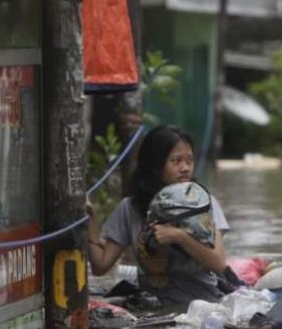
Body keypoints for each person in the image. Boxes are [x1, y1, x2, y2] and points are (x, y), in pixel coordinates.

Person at [87, 125, 238, 309]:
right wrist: (90, 220)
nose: (185, 168)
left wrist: (179, 236)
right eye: (176, 161)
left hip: (202, 305)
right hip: (152, 307)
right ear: (155, 167)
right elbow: (100, 267)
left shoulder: (205, 204)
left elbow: (219, 263)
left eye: (189, 160)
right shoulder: (130, 208)